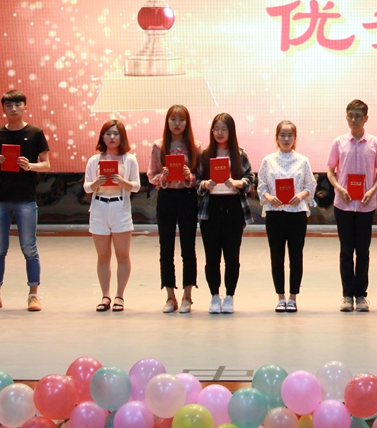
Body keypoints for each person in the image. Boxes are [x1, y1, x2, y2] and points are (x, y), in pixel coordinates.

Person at [0, 90, 50, 312]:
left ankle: (33, 295)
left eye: (18, 104)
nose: (14, 109)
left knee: (29, 248)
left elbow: (46, 164)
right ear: (3, 109)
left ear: (25, 107)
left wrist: (30, 166)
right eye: (9, 105)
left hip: (25, 198)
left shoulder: (35, 133)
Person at [326, 99, 377, 312]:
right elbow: (330, 171)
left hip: (365, 205)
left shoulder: (376, 143)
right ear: (346, 117)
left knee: (363, 251)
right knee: (345, 251)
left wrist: (372, 190)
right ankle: (346, 295)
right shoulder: (339, 142)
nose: (354, 120)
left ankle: (361, 295)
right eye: (350, 116)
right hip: (343, 204)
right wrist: (339, 188)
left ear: (366, 118)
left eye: (358, 116)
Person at [257, 120, 317, 313]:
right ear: (276, 138)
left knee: (296, 256)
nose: (286, 139)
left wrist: (301, 195)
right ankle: (280, 297)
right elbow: (261, 186)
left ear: (295, 138)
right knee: (277, 257)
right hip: (274, 214)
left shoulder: (302, 161)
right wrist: (268, 197)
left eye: (290, 135)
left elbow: (310, 185)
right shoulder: (268, 161)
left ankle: (293, 298)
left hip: (296, 214)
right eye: (282, 135)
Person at [196, 113, 253, 314]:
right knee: (212, 257)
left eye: (224, 129)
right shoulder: (205, 155)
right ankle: (214, 296)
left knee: (232, 256)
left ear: (231, 131)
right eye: (216, 129)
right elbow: (196, 181)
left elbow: (250, 178)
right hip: (210, 209)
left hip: (233, 209)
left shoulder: (240, 154)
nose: (219, 133)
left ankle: (229, 296)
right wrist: (204, 184)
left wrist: (239, 183)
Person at [148, 105, 201, 313]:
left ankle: (188, 295)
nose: (177, 124)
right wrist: (163, 176)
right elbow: (151, 175)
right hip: (166, 197)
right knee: (166, 247)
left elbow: (201, 176)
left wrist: (189, 176)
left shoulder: (195, 146)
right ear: (167, 122)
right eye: (173, 119)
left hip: (187, 198)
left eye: (181, 120)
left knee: (188, 247)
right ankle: (170, 297)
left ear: (187, 123)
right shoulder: (158, 145)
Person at [83, 119, 140, 313]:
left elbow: (136, 186)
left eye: (116, 134)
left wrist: (123, 182)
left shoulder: (129, 159)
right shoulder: (94, 160)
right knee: (103, 256)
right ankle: (105, 296)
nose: (112, 137)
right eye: (108, 134)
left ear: (122, 137)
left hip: (120, 208)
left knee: (122, 255)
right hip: (99, 209)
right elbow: (86, 187)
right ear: (102, 137)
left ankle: (119, 296)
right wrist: (95, 184)